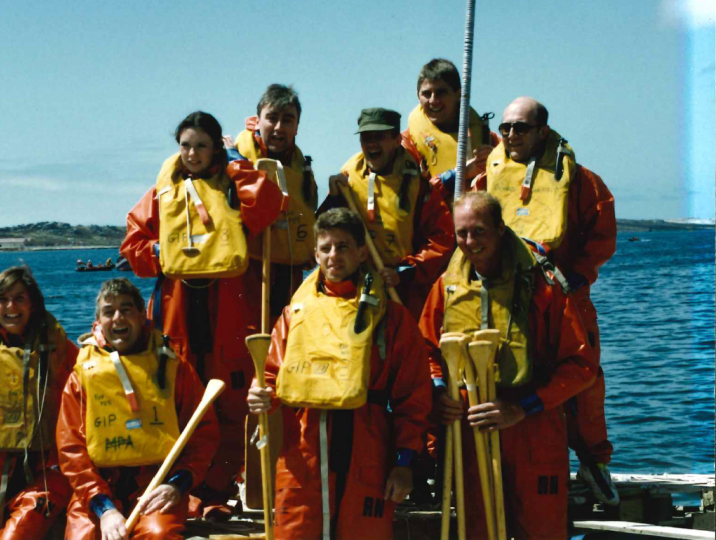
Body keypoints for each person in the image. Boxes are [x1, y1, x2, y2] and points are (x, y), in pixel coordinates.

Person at [121, 111, 285, 519]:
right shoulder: (164, 190)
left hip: (227, 303)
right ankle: (179, 492)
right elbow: (133, 243)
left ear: (215, 147)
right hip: (176, 304)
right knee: (179, 397)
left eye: (201, 146)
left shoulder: (231, 183)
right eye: (185, 146)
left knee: (229, 401)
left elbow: (267, 204)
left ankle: (217, 490)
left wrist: (234, 161)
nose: (192, 154)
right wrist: (160, 252)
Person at [419, 192, 598, 540]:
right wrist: (440, 393)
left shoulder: (543, 285)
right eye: (461, 233)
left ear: (501, 229)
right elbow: (426, 351)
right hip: (472, 426)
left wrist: (521, 408)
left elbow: (580, 366)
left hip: (533, 424)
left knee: (541, 530)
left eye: (479, 231)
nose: (470, 242)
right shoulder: (447, 286)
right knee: (479, 530)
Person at [248, 208, 431, 540]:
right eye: (327, 247)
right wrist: (260, 395)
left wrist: (405, 463)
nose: (334, 255)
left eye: (344, 246)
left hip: (369, 449)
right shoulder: (292, 315)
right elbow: (271, 378)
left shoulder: (392, 318)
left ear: (361, 252)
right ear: (315, 253)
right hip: (303, 451)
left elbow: (413, 398)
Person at [473, 96, 618, 504]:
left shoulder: (581, 181)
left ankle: (593, 463)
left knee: (584, 378)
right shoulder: (487, 177)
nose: (512, 135)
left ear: (542, 130)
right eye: (506, 128)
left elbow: (602, 233)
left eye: (521, 127)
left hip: (565, 294)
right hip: (508, 298)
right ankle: (513, 467)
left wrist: (577, 276)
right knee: (518, 376)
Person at [56, 278, 219, 539]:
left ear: (142, 315)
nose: (118, 318)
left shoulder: (174, 367)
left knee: (158, 533)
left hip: (157, 483)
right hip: (98, 487)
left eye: (126, 309)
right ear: (98, 321)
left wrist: (177, 486)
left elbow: (202, 434)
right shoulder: (81, 376)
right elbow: (71, 450)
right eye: (109, 312)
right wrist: (104, 508)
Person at [0, 266, 78, 540]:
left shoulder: (61, 350)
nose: (11, 307)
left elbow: (92, 387)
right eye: (2, 299)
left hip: (47, 474)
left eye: (19, 298)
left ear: (33, 304)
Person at [321, 107, 455, 322]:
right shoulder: (347, 180)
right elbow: (324, 233)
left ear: (396, 140)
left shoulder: (418, 187)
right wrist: (334, 199)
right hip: (356, 288)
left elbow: (442, 239)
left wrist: (405, 271)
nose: (372, 144)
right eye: (366, 138)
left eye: (379, 137)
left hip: (401, 289)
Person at [235, 84, 318, 325]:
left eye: (288, 120)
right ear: (258, 120)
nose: (279, 127)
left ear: (297, 127)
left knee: (286, 336)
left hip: (288, 269)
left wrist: (308, 247)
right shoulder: (235, 156)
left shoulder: (300, 164)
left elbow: (306, 210)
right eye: (272, 118)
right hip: (247, 269)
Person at [402, 58, 499, 203]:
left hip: (475, 220)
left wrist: (496, 163)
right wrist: (458, 174)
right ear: (418, 96)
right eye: (427, 94)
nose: (433, 100)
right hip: (435, 223)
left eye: (441, 93)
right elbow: (411, 197)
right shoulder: (406, 144)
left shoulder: (489, 140)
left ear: (459, 94)